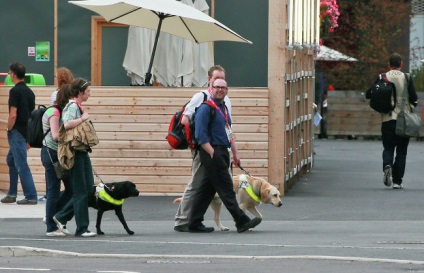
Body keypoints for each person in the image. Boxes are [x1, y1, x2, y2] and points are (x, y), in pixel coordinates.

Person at [187, 79, 261, 233]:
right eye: (217, 87)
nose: (220, 90)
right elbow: (200, 135)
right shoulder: (205, 109)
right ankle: (241, 220)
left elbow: (229, 132)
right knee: (226, 187)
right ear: (210, 89)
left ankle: (194, 222)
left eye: (223, 87)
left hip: (222, 151)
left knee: (207, 189)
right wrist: (213, 153)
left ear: (227, 90)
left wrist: (235, 153)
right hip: (211, 152)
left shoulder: (224, 109)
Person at [174, 65, 232, 232]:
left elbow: (227, 125)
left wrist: (232, 150)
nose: (219, 84)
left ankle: (194, 220)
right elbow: (185, 120)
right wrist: (202, 140)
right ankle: (182, 220)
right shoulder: (201, 97)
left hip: (220, 148)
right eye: (216, 79)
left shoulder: (226, 100)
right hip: (204, 148)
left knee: (210, 185)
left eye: (222, 80)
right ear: (209, 80)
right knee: (196, 183)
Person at [366, 53, 418, 189]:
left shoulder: (382, 77)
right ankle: (397, 181)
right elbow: (414, 98)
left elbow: (369, 94)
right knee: (402, 151)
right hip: (403, 120)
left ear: (389, 65)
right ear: (401, 64)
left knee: (388, 148)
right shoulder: (406, 77)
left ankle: (387, 165)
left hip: (387, 119)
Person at [53, 78, 97, 237]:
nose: (89, 94)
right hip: (75, 151)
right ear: (80, 92)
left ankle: (61, 216)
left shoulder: (77, 106)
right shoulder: (72, 106)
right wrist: (83, 118)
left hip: (82, 151)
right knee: (80, 191)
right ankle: (82, 228)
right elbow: (67, 124)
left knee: (88, 188)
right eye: (88, 91)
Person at [1, 62, 38, 205]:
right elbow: (30, 116)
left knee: (21, 164)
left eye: (10, 73)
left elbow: (13, 115)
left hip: (16, 131)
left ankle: (31, 196)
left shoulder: (14, 91)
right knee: (11, 160)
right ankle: (12, 193)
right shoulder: (30, 92)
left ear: (13, 75)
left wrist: (9, 129)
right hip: (26, 131)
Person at [41, 84, 73, 236]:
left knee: (70, 188)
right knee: (53, 190)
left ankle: (52, 216)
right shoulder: (53, 112)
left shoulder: (57, 111)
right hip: (51, 153)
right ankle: (51, 227)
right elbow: (55, 135)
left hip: (56, 153)